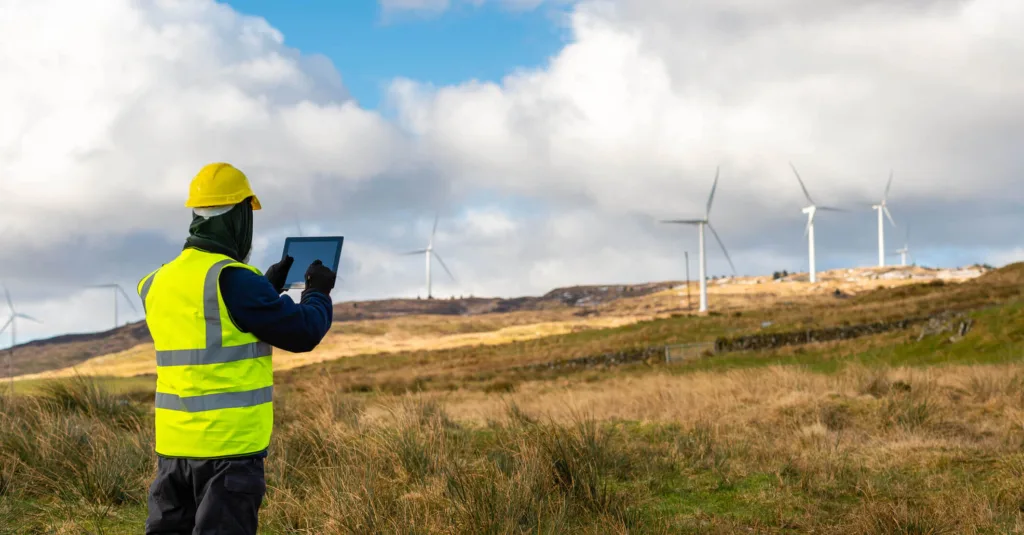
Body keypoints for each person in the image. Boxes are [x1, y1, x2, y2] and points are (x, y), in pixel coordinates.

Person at [137, 162, 336, 535]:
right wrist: (317, 293)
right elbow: (303, 332)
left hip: (173, 451)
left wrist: (265, 287)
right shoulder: (232, 279)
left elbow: (212, 323)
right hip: (228, 454)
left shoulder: (157, 281)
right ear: (240, 217)